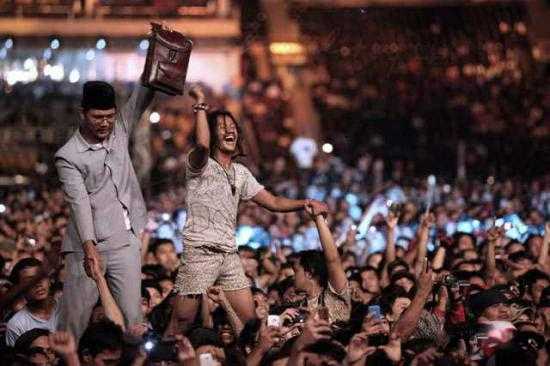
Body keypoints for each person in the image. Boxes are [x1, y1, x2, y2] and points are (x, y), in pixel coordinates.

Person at [167, 86, 328, 335]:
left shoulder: (241, 173)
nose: (229, 129)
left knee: (251, 322)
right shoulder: (199, 165)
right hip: (200, 252)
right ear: (211, 134)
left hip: (229, 255)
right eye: (221, 127)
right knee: (182, 323)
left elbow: (273, 202)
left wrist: (304, 202)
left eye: (231, 126)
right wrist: (200, 106)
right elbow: (201, 145)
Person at [55, 76, 155, 340]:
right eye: (98, 117)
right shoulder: (68, 156)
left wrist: (158, 52)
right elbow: (79, 203)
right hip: (86, 250)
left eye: (110, 116)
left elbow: (142, 97)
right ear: (83, 114)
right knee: (74, 325)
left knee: (133, 322)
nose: (105, 123)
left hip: (125, 243)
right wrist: (90, 250)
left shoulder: (119, 130)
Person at [5, 258, 61, 347]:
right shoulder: (17, 325)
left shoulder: (66, 308)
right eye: (30, 281)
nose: (38, 284)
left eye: (41, 277)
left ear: (49, 280)